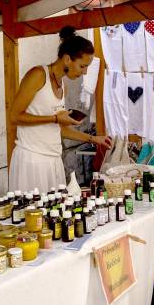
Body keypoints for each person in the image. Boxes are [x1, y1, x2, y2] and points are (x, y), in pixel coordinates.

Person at [7, 27, 111, 192]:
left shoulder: (63, 86)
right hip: (32, 160)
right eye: (83, 66)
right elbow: (14, 116)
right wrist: (54, 118)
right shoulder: (38, 75)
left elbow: (61, 129)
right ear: (68, 59)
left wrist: (93, 139)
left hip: (53, 160)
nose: (85, 72)